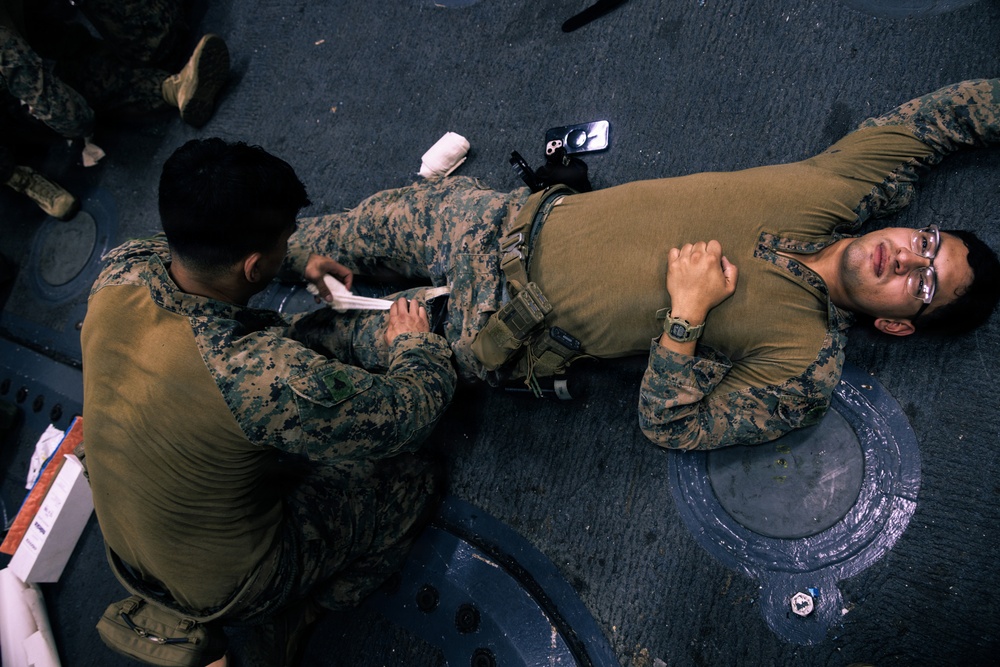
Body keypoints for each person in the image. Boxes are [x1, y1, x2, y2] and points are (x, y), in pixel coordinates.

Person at [284, 78, 1000, 451]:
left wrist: (686, 318)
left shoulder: (803, 362)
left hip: (489, 330)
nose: (909, 258)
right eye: (929, 242)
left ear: (898, 324)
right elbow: (953, 116)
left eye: (925, 284)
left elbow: (674, 427)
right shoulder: (844, 186)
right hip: (490, 220)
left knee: (311, 349)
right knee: (321, 241)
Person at [81, 138, 457, 666]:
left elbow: (222, 265)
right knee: (409, 476)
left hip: (132, 548)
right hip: (231, 586)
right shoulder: (256, 379)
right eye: (287, 240)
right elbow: (404, 414)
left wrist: (303, 260)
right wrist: (416, 345)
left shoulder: (122, 269)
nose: (292, 246)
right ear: (254, 268)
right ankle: (303, 607)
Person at [0, 0, 230, 217]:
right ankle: (169, 88)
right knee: (68, 87)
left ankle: (155, 52)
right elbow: (74, 119)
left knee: (161, 39)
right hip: (12, 102)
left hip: (34, 22)